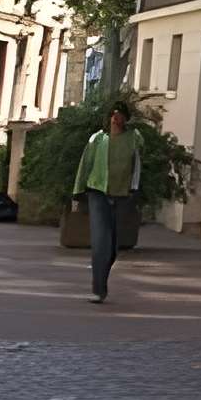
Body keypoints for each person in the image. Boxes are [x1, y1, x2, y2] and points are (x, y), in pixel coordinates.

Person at [79, 101, 141, 304]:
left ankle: (102, 278)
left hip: (122, 195)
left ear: (125, 118)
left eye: (119, 114)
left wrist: (135, 190)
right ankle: (98, 289)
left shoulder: (133, 139)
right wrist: (78, 191)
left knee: (113, 246)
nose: (115, 118)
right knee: (100, 242)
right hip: (97, 192)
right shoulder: (97, 139)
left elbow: (138, 166)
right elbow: (85, 164)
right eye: (112, 114)